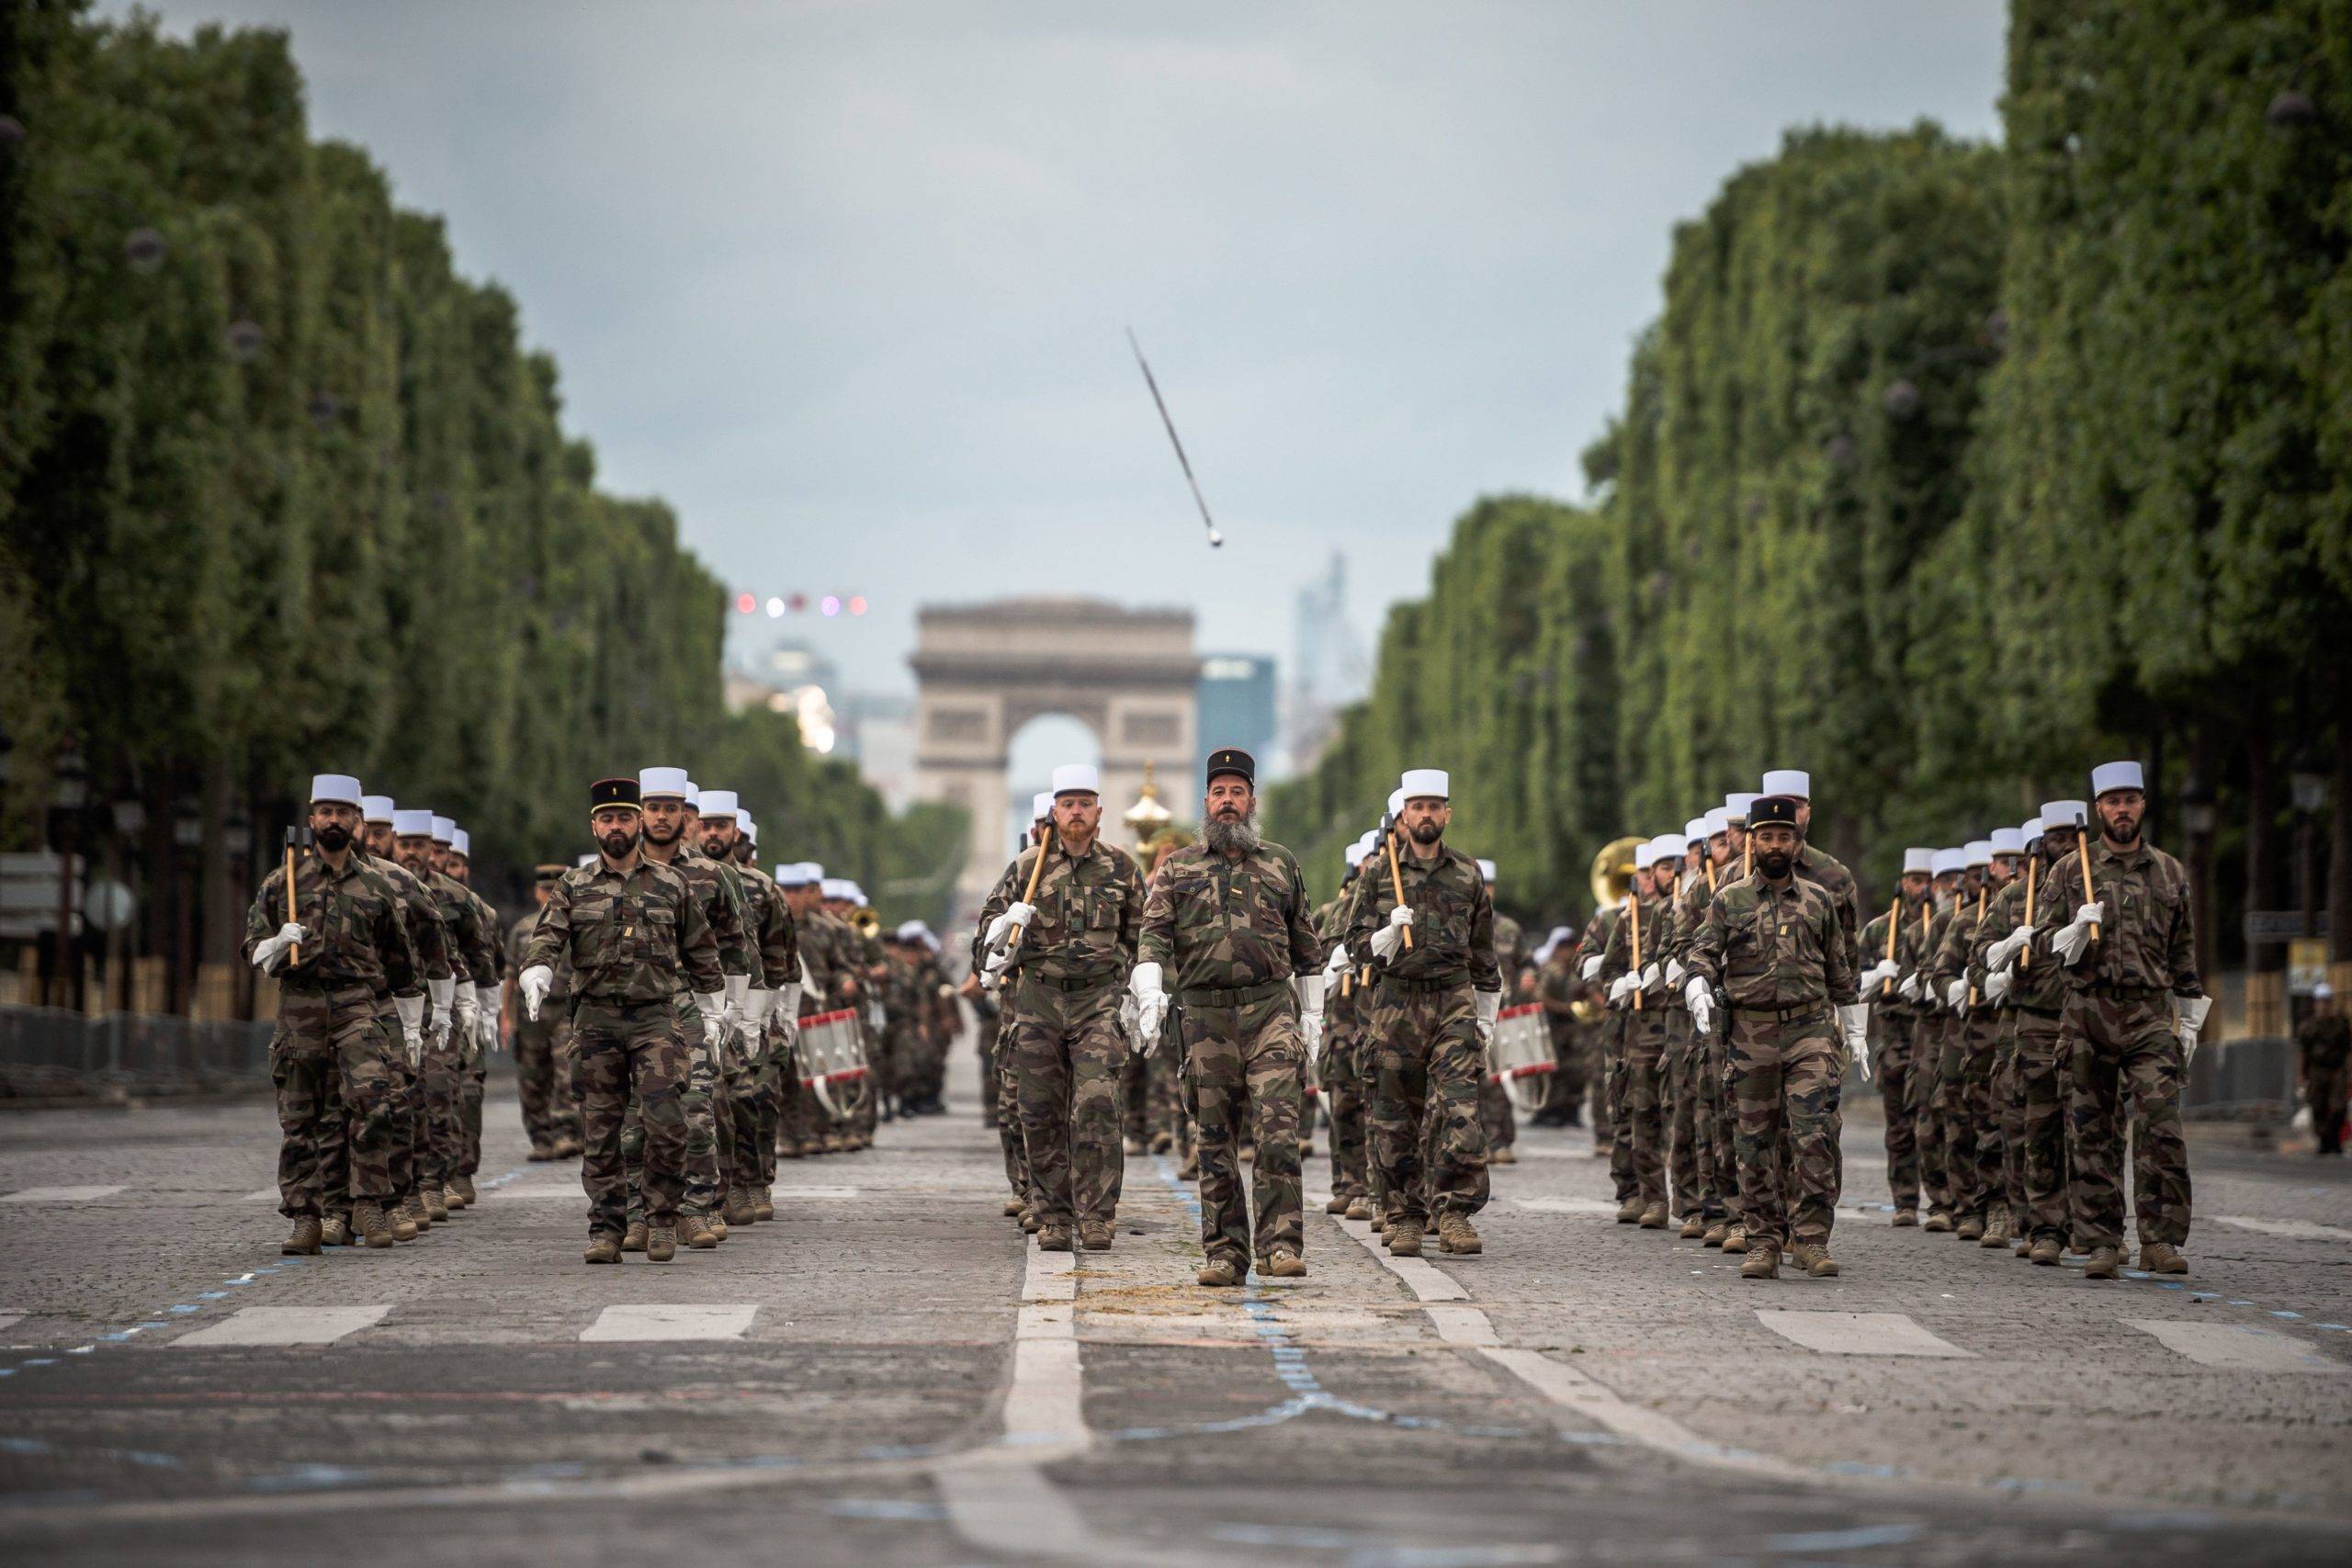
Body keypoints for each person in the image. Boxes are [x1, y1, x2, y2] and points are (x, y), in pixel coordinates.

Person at [1133, 748, 1324, 1285]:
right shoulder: (1177, 867)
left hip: (1269, 1012)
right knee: (1214, 1140)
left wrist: (1314, 1015)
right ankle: (1225, 1253)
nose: (1228, 803)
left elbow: (1306, 945)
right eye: (1219, 793)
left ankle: (1281, 1245)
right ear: (1206, 802)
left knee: (1278, 1130)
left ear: (1252, 800)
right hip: (1205, 1019)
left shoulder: (1281, 863)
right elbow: (1153, 936)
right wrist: (1149, 993)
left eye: (1237, 792)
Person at [519, 776, 723, 1265]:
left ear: (637, 824)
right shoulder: (573, 885)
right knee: (601, 1128)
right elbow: (547, 937)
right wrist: (537, 972)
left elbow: (702, 953)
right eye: (607, 819)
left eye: (625, 817)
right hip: (595, 1022)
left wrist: (717, 1011)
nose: (617, 826)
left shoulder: (671, 884)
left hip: (655, 1020)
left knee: (667, 1122)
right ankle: (607, 1228)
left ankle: (661, 1219)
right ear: (594, 826)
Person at [2032, 760, 2205, 1280]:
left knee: (2162, 1126)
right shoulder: (2069, 871)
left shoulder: (2170, 872)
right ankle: (2101, 1239)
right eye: (2113, 801)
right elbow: (2038, 946)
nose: (2123, 809)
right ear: (2099, 809)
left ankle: (2161, 1239)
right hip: (2089, 1011)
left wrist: (2192, 1016)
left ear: (2143, 804)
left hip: (2151, 1012)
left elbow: (2184, 953)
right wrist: (2072, 935)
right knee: (2092, 1131)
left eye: (2131, 800)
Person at [1681, 795, 1863, 1280]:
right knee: (1753, 1142)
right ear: (1753, 842)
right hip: (1751, 1031)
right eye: (1766, 837)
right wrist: (1697, 982)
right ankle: (1763, 1241)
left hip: (1810, 1032)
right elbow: (1701, 953)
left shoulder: (1819, 900)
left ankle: (1811, 1239)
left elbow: (1840, 973)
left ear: (1796, 842)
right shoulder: (1729, 900)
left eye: (1784, 837)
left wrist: (1856, 1027)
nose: (1776, 845)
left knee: (1814, 1136)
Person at [243, 773, 422, 1253]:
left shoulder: (376, 886)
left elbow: (401, 961)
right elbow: (252, 951)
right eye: (325, 813)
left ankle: (368, 1202)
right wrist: (278, 944)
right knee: (300, 1118)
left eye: (343, 813)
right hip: (299, 1006)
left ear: (357, 822)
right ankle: (307, 1216)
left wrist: (413, 1024)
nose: (334, 821)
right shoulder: (284, 882)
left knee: (371, 1103)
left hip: (356, 1005)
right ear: (311, 820)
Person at [976, 764, 1147, 1253]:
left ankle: (1096, 1214)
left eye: (1085, 803)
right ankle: (1052, 1213)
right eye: (1067, 803)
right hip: (1038, 1001)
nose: (1076, 812)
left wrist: (1145, 991)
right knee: (1039, 1110)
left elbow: (1144, 939)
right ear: (1054, 811)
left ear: (1099, 811)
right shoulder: (1027, 869)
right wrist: (1003, 926)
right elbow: (982, 947)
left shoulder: (1122, 868)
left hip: (1097, 1000)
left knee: (1096, 1102)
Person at [1344, 768, 1502, 1259]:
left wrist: (1488, 1015)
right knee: (1395, 1116)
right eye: (1418, 807)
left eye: (1435, 806)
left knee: (1462, 1109)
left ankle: (1453, 1211)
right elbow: (1353, 948)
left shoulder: (1467, 874)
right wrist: (1386, 935)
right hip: (1396, 1003)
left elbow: (1483, 953)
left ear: (1447, 814)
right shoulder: (1377, 873)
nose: (1427, 814)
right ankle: (1405, 1215)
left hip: (1452, 999)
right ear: (1404, 815)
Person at [635, 767, 752, 1248]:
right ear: (641, 814)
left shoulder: (713, 875)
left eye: (672, 810)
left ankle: (697, 1208)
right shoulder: (612, 872)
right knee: (632, 1119)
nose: (662, 818)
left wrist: (738, 1011)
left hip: (694, 1006)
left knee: (696, 1108)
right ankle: (637, 1214)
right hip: (632, 1007)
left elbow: (737, 947)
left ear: (688, 817)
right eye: (653, 808)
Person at [1859, 849, 1935, 1225]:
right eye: (1917, 881)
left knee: (1935, 1119)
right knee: (1899, 1123)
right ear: (1905, 883)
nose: (1924, 889)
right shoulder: (1877, 930)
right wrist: (1875, 977)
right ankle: (1905, 1200)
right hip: (1895, 1033)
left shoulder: (1941, 926)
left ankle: (1945, 1200)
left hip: (1932, 1030)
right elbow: (1850, 981)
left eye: (1930, 882)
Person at [507, 864, 582, 1161]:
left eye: (557, 889)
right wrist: (506, 1017)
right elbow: (511, 976)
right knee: (532, 1076)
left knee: (566, 1072)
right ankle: (541, 1136)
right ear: (537, 892)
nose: (550, 895)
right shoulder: (524, 928)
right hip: (531, 1014)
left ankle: (566, 1132)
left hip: (567, 1009)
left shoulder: (576, 923)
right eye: (546, 890)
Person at [2299, 985, 2349, 1156]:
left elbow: (2348, 1048)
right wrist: (2301, 1074)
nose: (2323, 1005)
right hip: (2317, 1071)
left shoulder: (2341, 1024)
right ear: (2315, 1004)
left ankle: (2334, 1139)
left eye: (2327, 1001)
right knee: (2317, 1107)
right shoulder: (2308, 1026)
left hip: (2337, 1070)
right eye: (2320, 1001)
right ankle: (2324, 1140)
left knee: (2338, 1107)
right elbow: (2303, 1052)